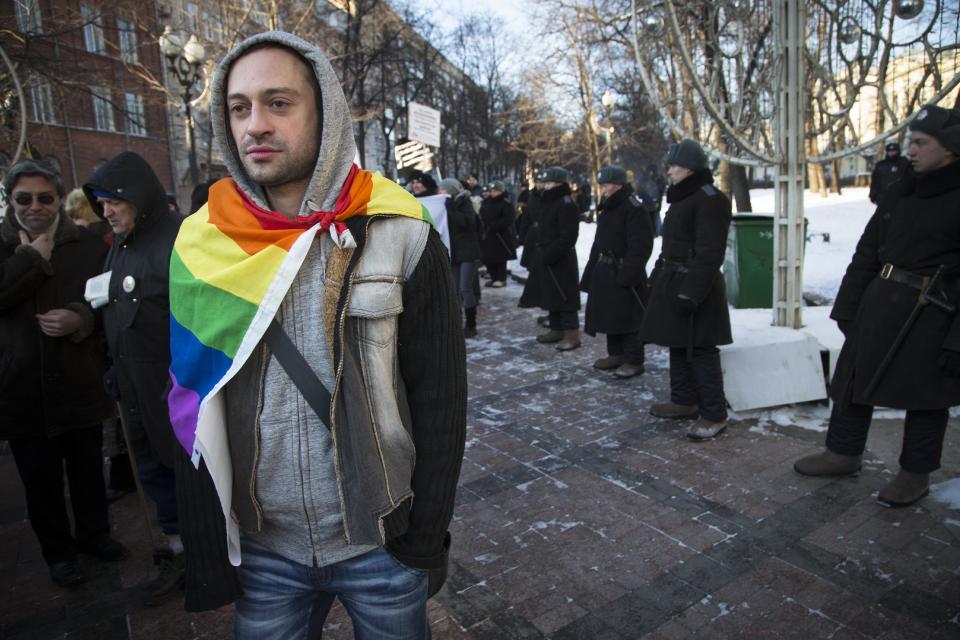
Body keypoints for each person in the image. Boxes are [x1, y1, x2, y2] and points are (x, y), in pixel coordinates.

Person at [165, 32, 467, 637]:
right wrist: (210, 548)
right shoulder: (203, 243)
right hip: (264, 551)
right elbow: (189, 401)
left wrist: (424, 538)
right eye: (240, 107)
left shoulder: (401, 231)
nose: (256, 125)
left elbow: (440, 400)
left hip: (380, 542)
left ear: (324, 111)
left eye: (279, 103)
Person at [84, 152, 231, 608]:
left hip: (175, 389)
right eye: (101, 202)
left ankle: (210, 556)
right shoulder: (121, 244)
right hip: (133, 387)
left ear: (139, 197)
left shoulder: (180, 239)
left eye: (114, 201)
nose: (106, 211)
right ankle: (178, 552)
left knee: (189, 473)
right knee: (152, 472)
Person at [794, 105, 960, 507]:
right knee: (852, 381)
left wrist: (957, 341)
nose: (911, 151)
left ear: (951, 149)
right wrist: (848, 304)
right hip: (878, 301)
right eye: (910, 142)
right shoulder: (902, 186)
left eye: (921, 143)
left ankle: (915, 472)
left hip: (932, 310)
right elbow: (869, 249)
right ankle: (843, 452)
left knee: (926, 396)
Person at [0, 159, 126, 588]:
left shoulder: (87, 246)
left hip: (77, 379)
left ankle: (96, 536)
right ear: (10, 200)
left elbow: (102, 299)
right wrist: (30, 260)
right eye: (24, 199)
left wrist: (80, 319)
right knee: (41, 481)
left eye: (44, 198)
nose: (35, 207)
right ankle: (59, 553)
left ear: (57, 199)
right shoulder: (5, 245)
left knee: (88, 468)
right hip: (21, 388)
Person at [640, 139, 732, 441]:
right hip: (673, 279)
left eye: (674, 165)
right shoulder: (683, 197)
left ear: (690, 168)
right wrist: (657, 277)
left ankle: (714, 414)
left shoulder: (709, 198)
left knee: (702, 349)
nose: (669, 171)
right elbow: (672, 245)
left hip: (696, 285)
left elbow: (709, 252)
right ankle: (683, 400)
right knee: (677, 342)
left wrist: (692, 292)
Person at [581, 165, 654, 379]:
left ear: (619, 185)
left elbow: (641, 245)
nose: (603, 189)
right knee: (610, 315)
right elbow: (599, 242)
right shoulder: (609, 207)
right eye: (601, 185)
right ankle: (616, 354)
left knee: (629, 318)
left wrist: (628, 273)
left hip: (624, 271)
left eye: (606, 185)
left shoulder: (633, 208)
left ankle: (633, 359)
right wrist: (591, 271)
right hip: (605, 270)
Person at [534, 166, 582, 351]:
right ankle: (556, 328)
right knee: (552, 293)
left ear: (559, 183)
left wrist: (551, 253)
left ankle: (572, 334)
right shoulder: (549, 201)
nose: (545, 186)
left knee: (565, 294)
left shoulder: (566, 203)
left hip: (561, 256)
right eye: (545, 182)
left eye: (549, 182)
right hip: (548, 255)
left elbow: (568, 235)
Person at [441, 177, 483, 338]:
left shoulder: (465, 202)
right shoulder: (446, 204)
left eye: (443, 189)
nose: (440, 192)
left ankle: (471, 324)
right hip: (455, 252)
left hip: (468, 252)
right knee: (455, 289)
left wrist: (450, 210)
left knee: (465, 288)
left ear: (450, 190)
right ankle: (456, 323)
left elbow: (467, 223)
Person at [517, 171, 546, 319]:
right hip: (532, 235)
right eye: (538, 182)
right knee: (532, 267)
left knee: (540, 267)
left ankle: (537, 298)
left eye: (542, 182)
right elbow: (526, 217)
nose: (540, 184)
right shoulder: (532, 197)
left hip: (544, 236)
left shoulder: (549, 198)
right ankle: (534, 297)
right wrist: (522, 237)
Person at [479, 180, 516, 288]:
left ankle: (501, 279)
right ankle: (493, 277)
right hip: (488, 234)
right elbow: (482, 213)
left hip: (501, 235)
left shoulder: (505, 203)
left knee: (500, 258)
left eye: (496, 191)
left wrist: (495, 225)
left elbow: (509, 218)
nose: (493, 193)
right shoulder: (487, 202)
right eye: (492, 191)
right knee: (488, 258)